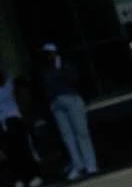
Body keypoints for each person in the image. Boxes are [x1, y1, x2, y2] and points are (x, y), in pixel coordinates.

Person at [38, 43, 97, 179]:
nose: (46, 57)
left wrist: (60, 69)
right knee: (67, 136)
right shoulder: (45, 70)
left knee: (81, 132)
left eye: (48, 54)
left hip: (71, 98)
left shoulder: (64, 65)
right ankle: (78, 165)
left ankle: (90, 164)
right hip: (56, 102)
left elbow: (73, 80)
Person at [0, 68, 42, 187]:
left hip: (14, 118)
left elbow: (21, 95)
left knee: (22, 148)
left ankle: (33, 175)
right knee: (11, 152)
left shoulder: (9, 83)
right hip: (2, 122)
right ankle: (19, 178)